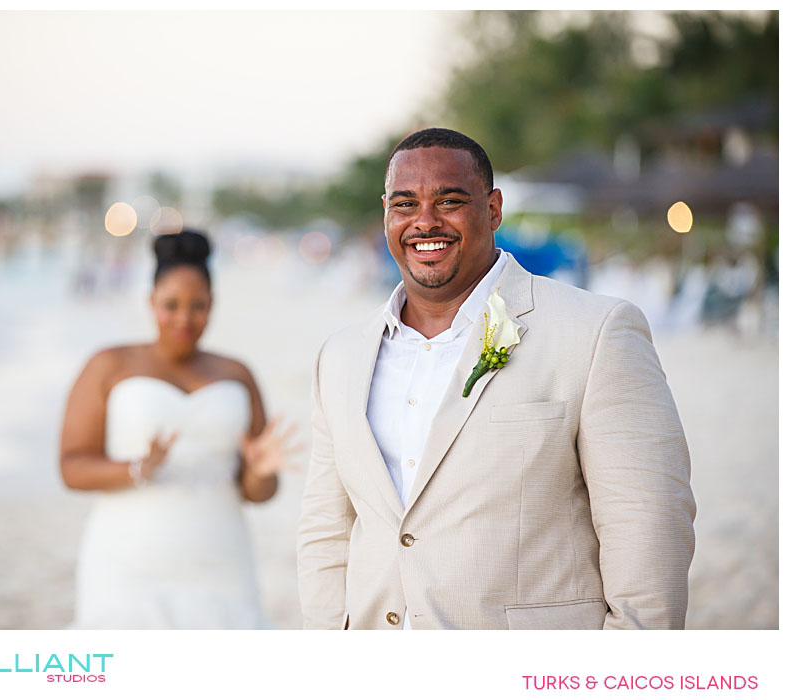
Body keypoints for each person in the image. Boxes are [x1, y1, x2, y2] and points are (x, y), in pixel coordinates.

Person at [297, 128, 696, 630]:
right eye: (405, 204)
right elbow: (327, 532)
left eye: (449, 201)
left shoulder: (596, 333)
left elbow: (648, 531)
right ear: (385, 214)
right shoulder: (340, 356)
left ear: (493, 209)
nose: (425, 221)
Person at [61, 229, 296, 629]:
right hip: (127, 563)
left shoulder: (236, 374)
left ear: (213, 305)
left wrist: (260, 471)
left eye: (197, 306)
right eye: (171, 305)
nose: (184, 318)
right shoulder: (108, 364)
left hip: (221, 559)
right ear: (151, 302)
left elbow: (259, 493)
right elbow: (71, 468)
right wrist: (138, 467)